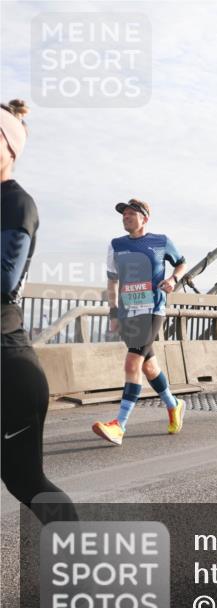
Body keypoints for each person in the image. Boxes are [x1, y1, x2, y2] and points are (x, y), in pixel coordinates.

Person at [1, 99, 78, 523]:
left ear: (10, 150)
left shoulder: (15, 204)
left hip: (8, 370)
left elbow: (4, 281)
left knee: (25, 481)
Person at [92, 198, 188, 446]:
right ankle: (173, 404)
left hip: (152, 310)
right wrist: (114, 312)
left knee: (132, 361)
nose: (126, 217)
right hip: (128, 313)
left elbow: (181, 263)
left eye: (131, 214)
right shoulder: (116, 245)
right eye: (123, 214)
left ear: (145, 218)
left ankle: (119, 426)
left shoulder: (161, 241)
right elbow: (112, 281)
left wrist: (173, 280)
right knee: (148, 367)